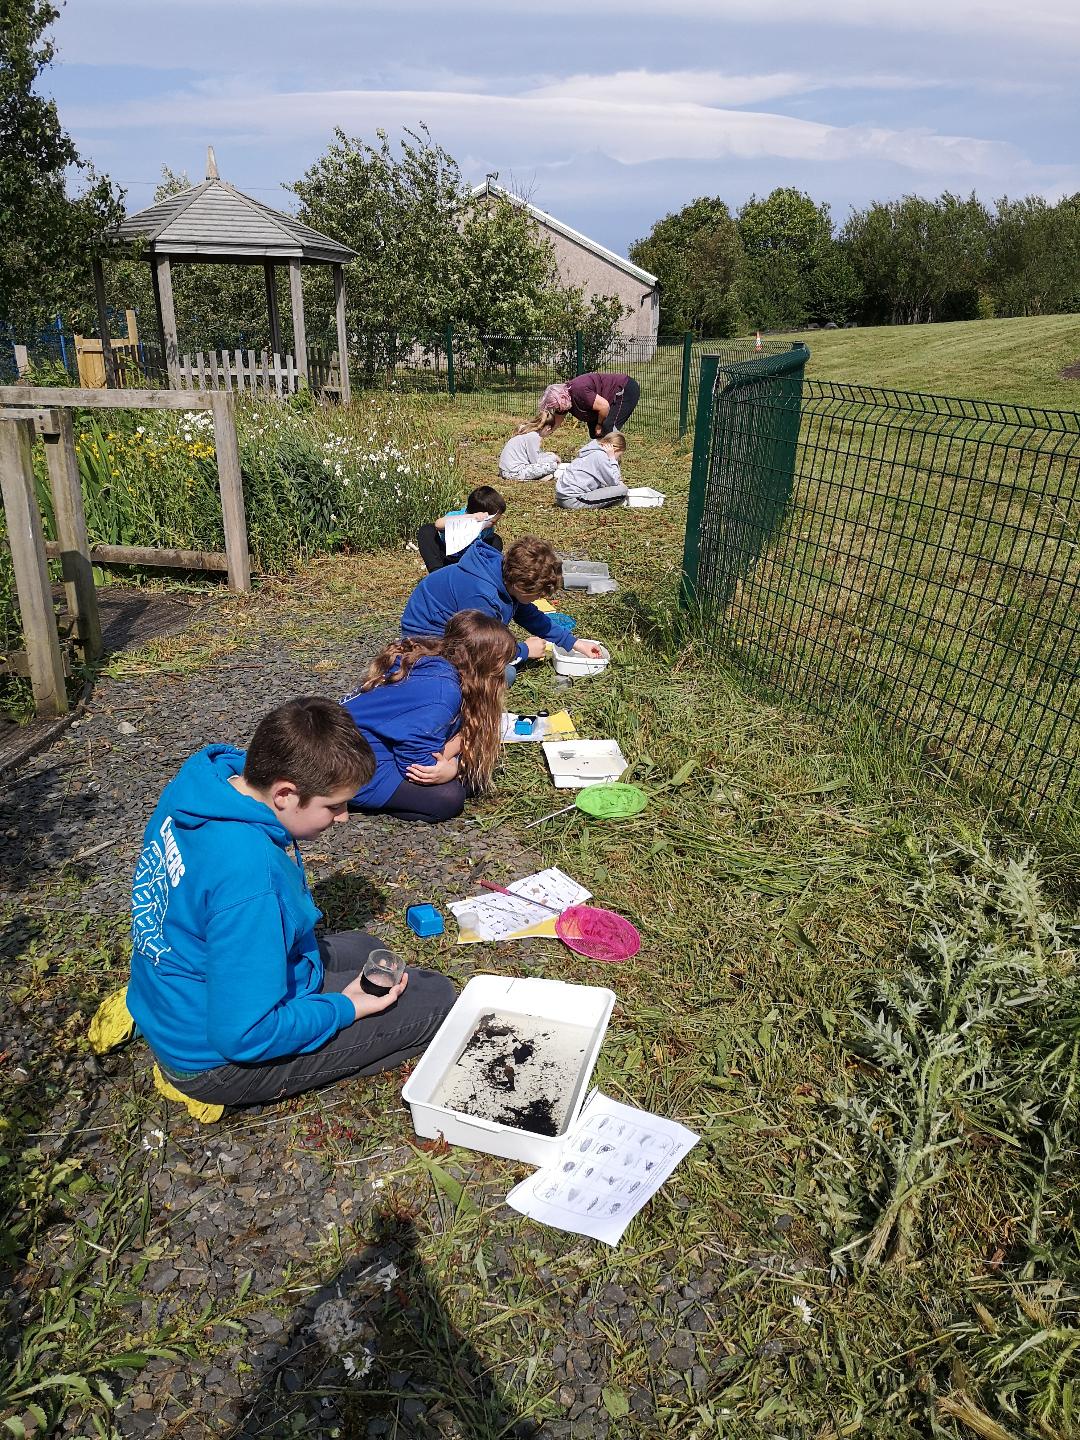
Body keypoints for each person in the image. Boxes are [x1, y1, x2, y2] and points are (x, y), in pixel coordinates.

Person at [125, 698, 455, 1108]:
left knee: (369, 949)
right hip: (213, 1061)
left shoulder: (206, 784)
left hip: (173, 999)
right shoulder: (250, 878)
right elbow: (245, 1035)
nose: (344, 817)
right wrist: (344, 1008)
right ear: (284, 793)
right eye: (333, 806)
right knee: (437, 1000)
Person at [342, 610, 516, 824]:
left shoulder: (433, 661)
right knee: (448, 798)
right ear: (480, 664)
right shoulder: (442, 695)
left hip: (356, 747)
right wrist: (452, 766)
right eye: (500, 665)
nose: (503, 673)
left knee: (471, 777)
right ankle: (349, 799)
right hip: (355, 764)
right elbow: (418, 768)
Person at [400, 535, 603, 679]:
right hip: (427, 642)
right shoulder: (481, 596)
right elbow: (480, 645)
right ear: (519, 586)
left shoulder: (505, 573)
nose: (537, 599)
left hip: (459, 633)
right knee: (504, 675)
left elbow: (528, 614)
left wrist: (575, 643)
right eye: (537, 595)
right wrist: (524, 650)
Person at [417, 485, 506, 574]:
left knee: (496, 540)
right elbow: (438, 524)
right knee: (427, 531)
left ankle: (480, 572)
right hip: (446, 555)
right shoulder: (459, 516)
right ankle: (437, 573)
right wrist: (471, 517)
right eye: (493, 522)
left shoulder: (487, 529)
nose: (494, 525)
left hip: (467, 559)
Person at [540, 373, 641, 438]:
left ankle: (612, 463)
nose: (558, 409)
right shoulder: (564, 400)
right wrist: (540, 435)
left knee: (608, 429)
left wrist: (599, 424)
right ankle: (598, 462)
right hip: (600, 403)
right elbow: (556, 422)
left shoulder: (579, 390)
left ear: (562, 397)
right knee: (595, 434)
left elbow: (604, 406)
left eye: (557, 406)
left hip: (624, 389)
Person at [555, 432, 629, 510]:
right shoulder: (601, 456)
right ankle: (615, 502)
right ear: (615, 449)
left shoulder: (590, 451)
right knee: (623, 490)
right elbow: (615, 482)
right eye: (619, 455)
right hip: (574, 500)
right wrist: (612, 458)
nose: (618, 459)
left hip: (561, 497)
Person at [498, 411, 561, 481]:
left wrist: (549, 455)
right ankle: (540, 477)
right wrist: (553, 458)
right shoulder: (534, 436)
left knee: (550, 460)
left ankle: (541, 476)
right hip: (513, 473)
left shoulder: (527, 431)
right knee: (553, 466)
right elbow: (535, 461)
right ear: (548, 428)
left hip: (504, 471)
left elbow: (534, 455)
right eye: (550, 432)